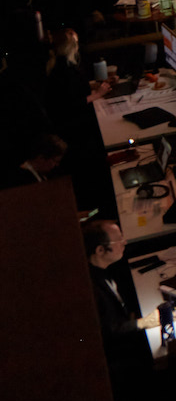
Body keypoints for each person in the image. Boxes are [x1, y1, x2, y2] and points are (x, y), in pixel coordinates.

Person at [84, 218, 160, 367]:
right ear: (100, 250)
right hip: (121, 355)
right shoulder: (93, 290)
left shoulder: (104, 268)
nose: (124, 242)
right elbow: (107, 331)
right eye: (118, 240)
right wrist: (142, 323)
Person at [0, 132, 66, 187]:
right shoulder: (21, 178)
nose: (57, 165)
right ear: (41, 158)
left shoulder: (41, 175)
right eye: (55, 161)